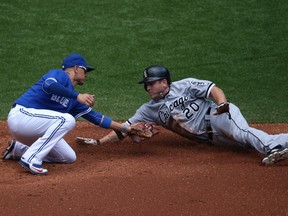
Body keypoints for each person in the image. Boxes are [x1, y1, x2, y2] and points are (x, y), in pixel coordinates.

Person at [80, 65, 288, 165]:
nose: (148, 88)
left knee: (242, 132)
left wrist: (222, 103)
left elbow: (213, 89)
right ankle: (280, 143)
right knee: (246, 140)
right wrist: (99, 143)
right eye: (146, 85)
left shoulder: (185, 85)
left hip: (217, 115)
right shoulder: (148, 109)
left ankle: (272, 150)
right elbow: (123, 129)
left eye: (151, 83)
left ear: (164, 82)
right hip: (212, 139)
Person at [2, 53, 141, 175]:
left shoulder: (73, 100)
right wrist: (77, 96)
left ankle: (18, 149)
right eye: (85, 70)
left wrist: (126, 129)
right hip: (21, 116)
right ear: (76, 68)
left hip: (33, 129)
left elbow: (96, 118)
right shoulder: (60, 75)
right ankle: (32, 158)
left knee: (68, 157)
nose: (86, 75)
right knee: (67, 120)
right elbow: (49, 85)